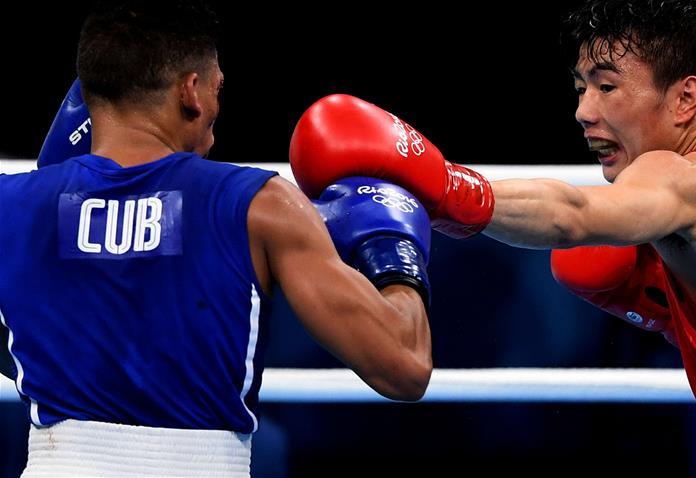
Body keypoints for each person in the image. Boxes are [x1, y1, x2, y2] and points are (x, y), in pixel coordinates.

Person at [287, 0, 696, 475]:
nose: (584, 111)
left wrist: (448, 188)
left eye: (607, 87)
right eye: (580, 87)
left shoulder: (684, 174)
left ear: (686, 97)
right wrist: (675, 313)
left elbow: (572, 213)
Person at [0, 1, 434, 476]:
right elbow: (404, 364)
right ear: (191, 91)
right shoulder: (260, 205)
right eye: (217, 87)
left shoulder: (11, 205)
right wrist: (394, 252)